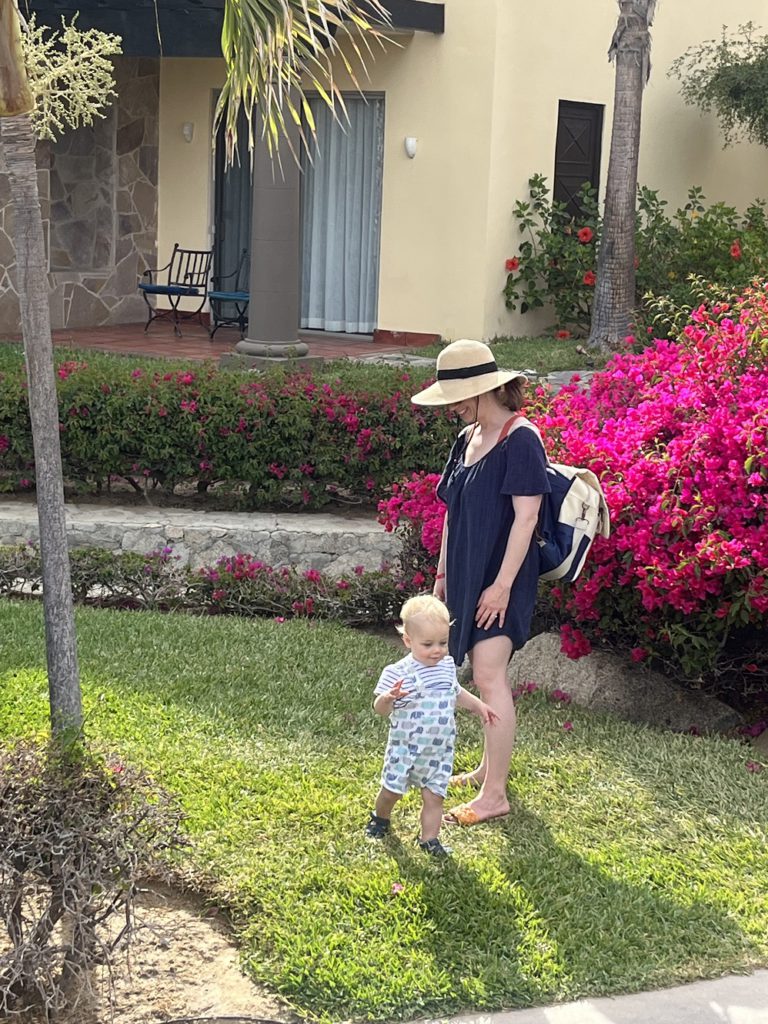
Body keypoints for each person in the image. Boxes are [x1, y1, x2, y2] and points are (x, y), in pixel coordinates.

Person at [410, 339, 550, 827]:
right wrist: (444, 575)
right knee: (478, 674)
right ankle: (487, 771)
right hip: (467, 575)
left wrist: (502, 586)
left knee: (489, 675)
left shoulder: (522, 438)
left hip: (503, 579)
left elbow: (526, 518)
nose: (450, 406)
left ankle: (495, 796)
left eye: (455, 396)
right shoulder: (468, 438)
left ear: (479, 390)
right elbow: (453, 514)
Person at [365, 594, 499, 857]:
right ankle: (380, 818)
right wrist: (388, 699)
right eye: (427, 644)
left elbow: (456, 691)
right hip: (405, 748)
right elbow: (379, 710)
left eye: (442, 642)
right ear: (408, 641)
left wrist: (479, 706)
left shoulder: (446, 666)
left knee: (434, 796)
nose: (437, 650)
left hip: (438, 751)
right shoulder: (398, 672)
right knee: (392, 790)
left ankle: (429, 839)